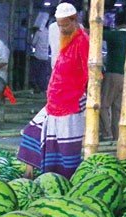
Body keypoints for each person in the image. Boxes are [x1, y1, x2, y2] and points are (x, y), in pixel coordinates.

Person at [18, 2, 89, 178]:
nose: (62, 29)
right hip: (55, 100)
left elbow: (90, 72)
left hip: (71, 100)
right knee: (32, 131)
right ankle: (32, 174)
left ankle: (65, 178)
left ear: (75, 20)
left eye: (66, 25)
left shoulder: (83, 41)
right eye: (60, 25)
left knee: (65, 145)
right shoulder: (60, 34)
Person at [100, 11, 126, 141]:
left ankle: (107, 133)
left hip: (113, 73)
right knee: (117, 107)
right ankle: (117, 135)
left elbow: (97, 33)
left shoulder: (115, 35)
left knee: (103, 105)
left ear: (116, 22)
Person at [29, 25, 50, 92]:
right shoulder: (49, 32)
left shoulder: (39, 32)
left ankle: (35, 88)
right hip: (45, 56)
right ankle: (43, 89)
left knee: (35, 73)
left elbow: (33, 43)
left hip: (38, 55)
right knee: (43, 74)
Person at [13, 18, 28, 89]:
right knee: (22, 69)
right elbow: (29, 42)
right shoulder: (26, 32)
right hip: (23, 52)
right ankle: (22, 85)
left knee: (15, 68)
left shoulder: (16, 30)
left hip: (15, 51)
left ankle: (14, 84)